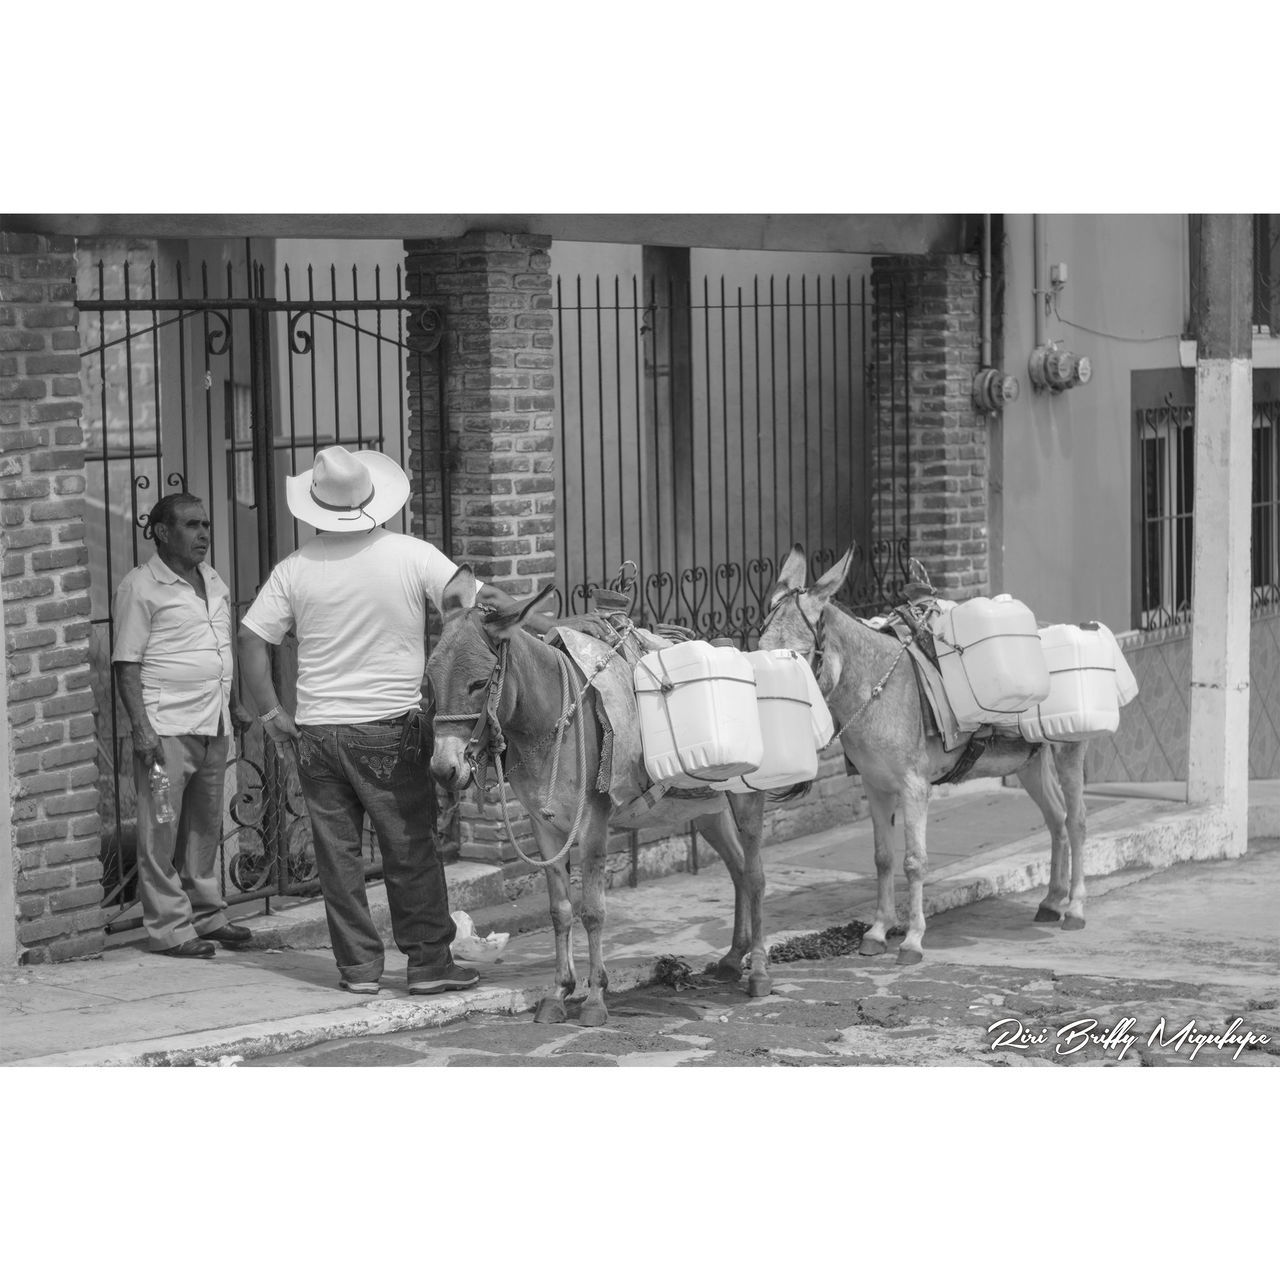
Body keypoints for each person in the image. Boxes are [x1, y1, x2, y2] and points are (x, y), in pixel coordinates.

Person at [237, 446, 480, 997]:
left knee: (337, 858)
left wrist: (271, 711)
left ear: (316, 505)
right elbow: (470, 608)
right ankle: (427, 965)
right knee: (409, 847)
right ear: (372, 497)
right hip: (389, 728)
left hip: (318, 732)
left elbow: (252, 638)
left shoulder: (294, 569)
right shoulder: (413, 555)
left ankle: (359, 970)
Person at [112, 493, 255, 958]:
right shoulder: (141, 587)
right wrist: (141, 727)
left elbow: (221, 647)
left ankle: (207, 915)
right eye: (192, 525)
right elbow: (126, 663)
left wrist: (234, 703)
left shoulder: (212, 579)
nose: (204, 534)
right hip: (165, 729)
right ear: (161, 532)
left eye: (206, 524)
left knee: (203, 827)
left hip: (212, 722)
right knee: (161, 829)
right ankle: (170, 929)